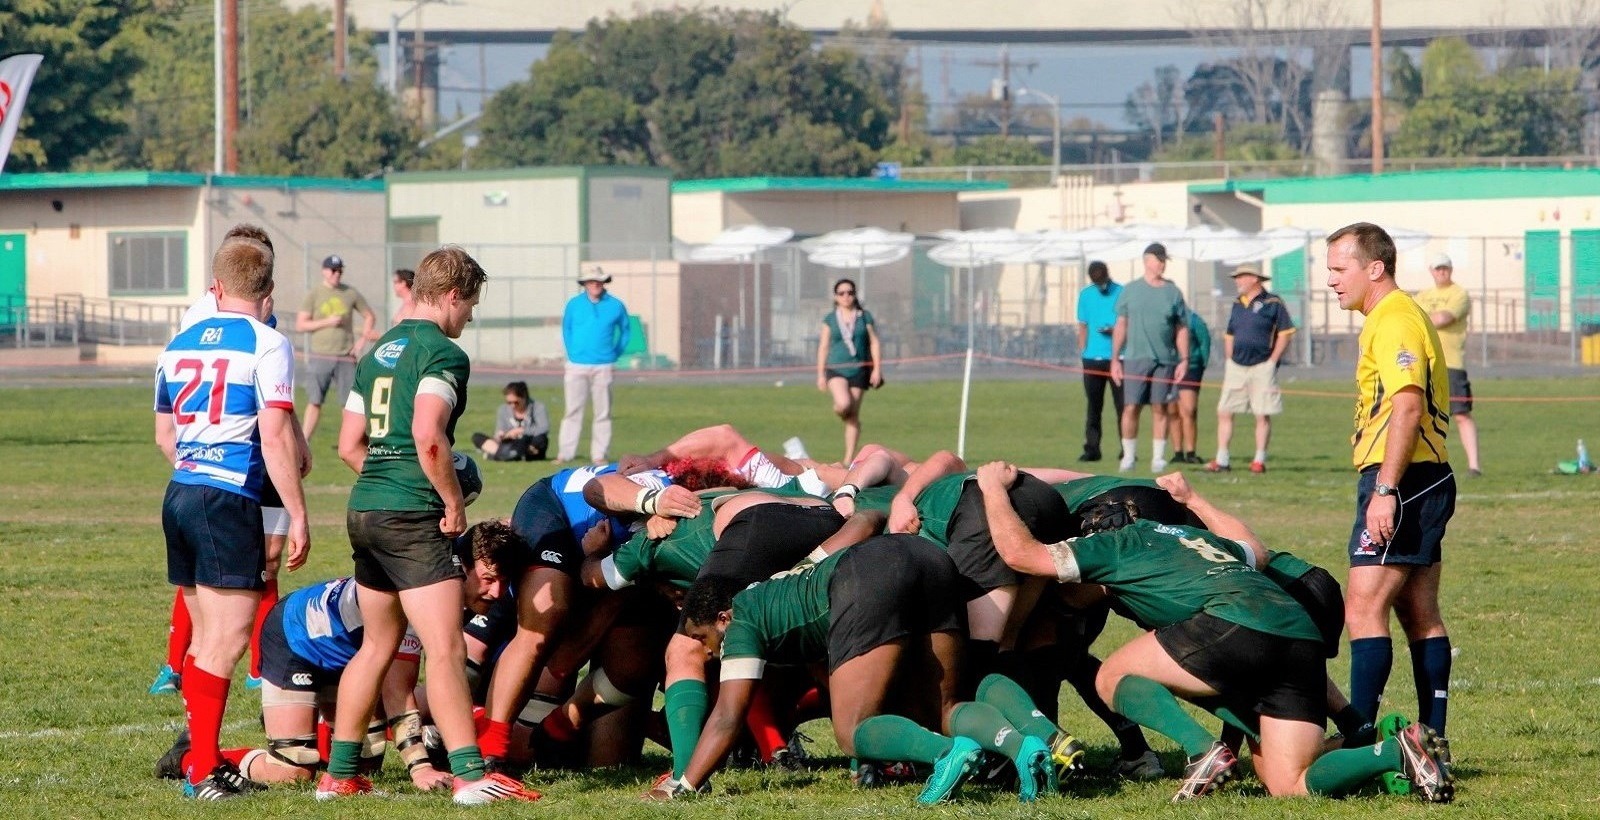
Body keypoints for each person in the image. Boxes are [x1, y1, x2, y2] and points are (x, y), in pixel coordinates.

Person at [975, 461, 1455, 803]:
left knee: (1112, 677)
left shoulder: (1114, 545)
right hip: (1298, 635)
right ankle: (1392, 751)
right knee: (1289, 781)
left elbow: (1022, 556)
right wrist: (1193, 500)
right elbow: (1255, 551)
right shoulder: (1192, 534)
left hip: (1232, 626)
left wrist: (992, 488)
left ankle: (1202, 751)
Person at [327, 245, 539, 804]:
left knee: (376, 646)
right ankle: (471, 778)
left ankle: (339, 775)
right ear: (451, 295)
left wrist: (390, 478)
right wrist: (450, 499)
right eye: (469, 303)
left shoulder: (376, 352)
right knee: (444, 648)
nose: (469, 316)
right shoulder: (441, 352)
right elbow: (428, 435)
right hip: (409, 518)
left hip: (364, 507)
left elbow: (350, 444)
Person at [661, 537, 1059, 805]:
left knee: (852, 730)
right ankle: (1023, 747)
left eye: (701, 637)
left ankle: (946, 754)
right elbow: (832, 671)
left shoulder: (742, 621)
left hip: (866, 575)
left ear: (722, 617)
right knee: (945, 708)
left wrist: (684, 785)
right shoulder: (774, 597)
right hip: (927, 556)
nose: (706, 651)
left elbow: (729, 715)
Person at [162, 522, 525, 792]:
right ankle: (191, 755)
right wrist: (420, 768)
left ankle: (308, 721)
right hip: (295, 641)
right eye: (488, 578)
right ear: (460, 567)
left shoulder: (446, 590)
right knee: (295, 770)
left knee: (365, 764)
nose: (495, 592)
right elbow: (397, 689)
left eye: (502, 582)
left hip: (348, 661)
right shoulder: (424, 595)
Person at [154, 235, 310, 800]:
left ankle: (199, 761)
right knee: (227, 640)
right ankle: (202, 771)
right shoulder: (269, 343)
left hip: (180, 494)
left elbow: (163, 434)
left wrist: (197, 469)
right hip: (227, 500)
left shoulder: (177, 343)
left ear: (216, 288)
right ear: (267, 289)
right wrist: (296, 511)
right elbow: (273, 436)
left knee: (205, 642)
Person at [1325, 223, 1457, 748]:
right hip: (1420, 476)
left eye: (1339, 269)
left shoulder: (1396, 319)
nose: (1331, 281)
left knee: (1362, 605)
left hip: (1403, 478)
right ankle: (1433, 737)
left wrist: (1385, 490)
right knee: (1419, 611)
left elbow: (1407, 404)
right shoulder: (1389, 317)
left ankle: (1359, 738)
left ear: (1374, 268)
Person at [1207, 264, 1295, 474]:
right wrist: (1229, 358)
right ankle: (1222, 459)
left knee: (1262, 413)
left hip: (1262, 366)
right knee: (1225, 411)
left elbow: (1286, 332)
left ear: (1254, 278)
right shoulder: (1238, 303)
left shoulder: (1273, 302)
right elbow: (1230, 333)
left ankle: (1259, 460)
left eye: (1240, 277)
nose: (1236, 281)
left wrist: (1272, 361)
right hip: (1236, 366)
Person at [1110, 243, 1190, 473]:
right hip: (1135, 358)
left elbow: (1181, 328)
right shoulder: (1131, 290)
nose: (1162, 264)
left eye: (1165, 260)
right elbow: (1121, 324)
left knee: (1160, 407)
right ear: (1147, 260)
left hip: (1165, 360)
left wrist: (1183, 359)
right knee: (1131, 407)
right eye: (1159, 259)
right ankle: (1129, 456)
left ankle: (1158, 457)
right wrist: (1115, 358)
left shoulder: (1172, 292)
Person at [296, 254, 377, 441]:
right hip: (321, 355)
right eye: (333, 270)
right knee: (314, 401)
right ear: (324, 271)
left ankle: (353, 442)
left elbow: (369, 316)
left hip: (345, 356)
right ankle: (304, 441)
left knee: (349, 404)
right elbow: (301, 325)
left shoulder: (350, 293)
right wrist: (327, 322)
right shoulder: (315, 293)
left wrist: (361, 342)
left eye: (340, 270)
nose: (337, 274)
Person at [1414, 253, 1480, 476]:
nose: (1442, 272)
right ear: (1431, 271)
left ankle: (1474, 465)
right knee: (1418, 413)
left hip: (1451, 363)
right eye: (1438, 268)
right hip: (1424, 363)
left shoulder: (1459, 294)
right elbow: (1412, 321)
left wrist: (1424, 319)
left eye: (1445, 268)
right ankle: (1424, 463)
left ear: (1451, 270)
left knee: (1461, 414)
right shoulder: (1422, 295)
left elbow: (1444, 319)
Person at [557, 266, 630, 464]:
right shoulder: (574, 304)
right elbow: (567, 328)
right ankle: (565, 453)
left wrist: (615, 353)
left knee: (603, 412)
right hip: (576, 364)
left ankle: (599, 454)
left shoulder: (616, 305)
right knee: (572, 409)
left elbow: (625, 331)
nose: (595, 285)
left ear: (604, 283)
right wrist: (572, 351)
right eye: (590, 281)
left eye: (598, 281)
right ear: (585, 284)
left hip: (603, 365)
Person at [816, 277, 883, 464]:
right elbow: (823, 346)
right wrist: (820, 373)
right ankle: (839, 409)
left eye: (850, 292)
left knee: (853, 416)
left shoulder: (864, 316)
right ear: (836, 297)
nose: (846, 296)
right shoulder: (830, 319)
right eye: (842, 293)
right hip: (836, 368)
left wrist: (877, 369)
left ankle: (848, 459)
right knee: (844, 404)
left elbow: (874, 342)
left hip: (859, 369)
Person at [1075, 260, 1123, 462]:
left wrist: (1115, 331)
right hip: (1092, 360)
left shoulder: (1122, 292)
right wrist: (1083, 351)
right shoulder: (1086, 295)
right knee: (1094, 406)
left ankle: (1126, 449)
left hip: (1118, 358)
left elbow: (1126, 323)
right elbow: (1083, 326)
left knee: (1122, 405)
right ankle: (1092, 449)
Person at [1171, 305, 1210, 465]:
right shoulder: (1163, 318)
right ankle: (1177, 452)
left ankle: (1191, 452)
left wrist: (1200, 366)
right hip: (1167, 367)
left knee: (1188, 410)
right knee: (1172, 411)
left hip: (1191, 368)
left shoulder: (1194, 320)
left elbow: (1204, 343)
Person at [472, 381, 549, 461]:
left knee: (540, 439)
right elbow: (499, 432)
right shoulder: (503, 409)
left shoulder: (538, 407)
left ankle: (499, 455)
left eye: (516, 402)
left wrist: (521, 431)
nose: (512, 405)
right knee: (477, 437)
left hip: (528, 441)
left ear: (524, 397)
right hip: (509, 442)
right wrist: (503, 434)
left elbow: (544, 428)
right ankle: (513, 454)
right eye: (509, 402)